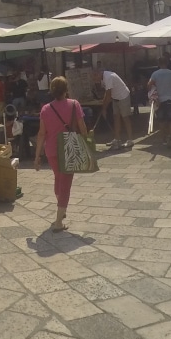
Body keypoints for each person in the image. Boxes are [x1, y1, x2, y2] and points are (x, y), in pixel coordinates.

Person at [34, 76, 88, 232]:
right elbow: (82, 128)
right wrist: (86, 146)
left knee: (58, 178)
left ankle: (61, 208)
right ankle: (59, 220)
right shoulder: (74, 105)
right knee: (65, 184)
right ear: (66, 90)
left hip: (51, 150)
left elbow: (41, 134)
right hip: (68, 147)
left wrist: (37, 156)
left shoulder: (45, 109)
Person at [93, 66, 133, 149]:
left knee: (125, 118)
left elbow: (108, 95)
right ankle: (117, 139)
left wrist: (104, 109)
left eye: (94, 77)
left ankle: (130, 140)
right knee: (116, 118)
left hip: (123, 96)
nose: (94, 80)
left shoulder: (108, 77)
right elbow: (106, 93)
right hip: (115, 98)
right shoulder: (103, 78)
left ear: (98, 74)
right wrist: (103, 104)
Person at [148, 55, 171, 147]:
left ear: (158, 64)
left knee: (161, 121)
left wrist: (153, 88)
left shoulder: (155, 74)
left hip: (160, 100)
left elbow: (148, 85)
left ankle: (163, 139)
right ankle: (170, 136)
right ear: (167, 63)